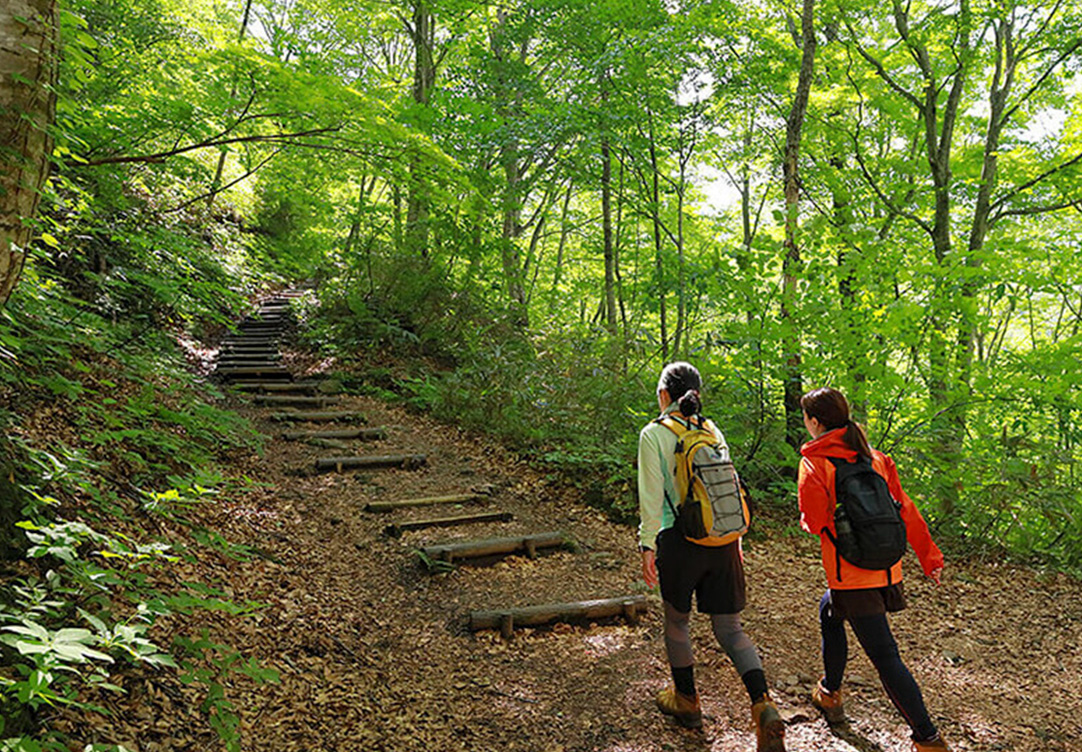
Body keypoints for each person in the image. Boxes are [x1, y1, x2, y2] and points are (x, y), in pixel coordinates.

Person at [638, 361, 785, 751]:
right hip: (722, 540)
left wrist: (647, 544)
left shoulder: (654, 434)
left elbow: (651, 498)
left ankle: (686, 700)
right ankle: (763, 704)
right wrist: (735, 540)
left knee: (677, 622)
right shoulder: (711, 429)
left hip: (680, 541)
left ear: (664, 395)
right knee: (731, 629)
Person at [798, 387, 950, 752]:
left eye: (806, 418)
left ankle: (928, 738)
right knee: (829, 612)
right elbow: (906, 510)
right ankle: (830, 692)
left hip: (852, 574)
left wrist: (811, 519)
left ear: (816, 423)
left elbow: (816, 520)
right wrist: (930, 557)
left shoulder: (815, 464)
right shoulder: (877, 459)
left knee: (886, 658)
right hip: (887, 569)